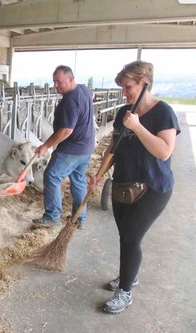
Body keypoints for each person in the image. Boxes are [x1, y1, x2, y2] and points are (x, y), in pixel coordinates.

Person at [90, 60, 180, 314]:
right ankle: (129, 275)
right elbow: (112, 149)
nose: (124, 92)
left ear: (145, 84)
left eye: (128, 86)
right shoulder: (123, 113)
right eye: (121, 87)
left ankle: (126, 291)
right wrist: (98, 175)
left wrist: (138, 127)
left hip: (153, 187)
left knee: (131, 237)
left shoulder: (163, 112)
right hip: (123, 186)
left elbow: (164, 151)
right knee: (126, 237)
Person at [33, 65, 95, 229]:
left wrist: (46, 145)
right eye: (54, 81)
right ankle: (79, 218)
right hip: (86, 146)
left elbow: (67, 130)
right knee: (78, 180)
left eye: (59, 82)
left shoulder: (70, 100)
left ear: (71, 79)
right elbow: (92, 95)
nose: (55, 86)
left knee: (52, 176)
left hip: (72, 148)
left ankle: (52, 217)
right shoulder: (84, 89)